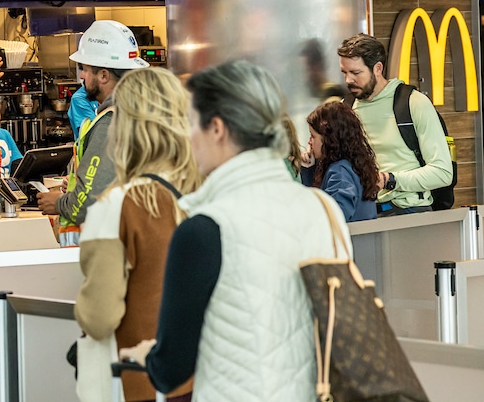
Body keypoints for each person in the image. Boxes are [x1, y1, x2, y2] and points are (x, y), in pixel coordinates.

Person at [119, 60, 349, 402]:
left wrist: (145, 357)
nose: (188, 138)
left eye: (191, 124)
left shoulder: (204, 228)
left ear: (217, 128)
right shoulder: (323, 209)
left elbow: (171, 371)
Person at [74, 67, 197, 402]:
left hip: (134, 382)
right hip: (199, 380)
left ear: (125, 128)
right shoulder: (205, 195)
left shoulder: (118, 205)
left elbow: (99, 317)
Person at [37, 20, 148, 244]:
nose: (82, 78)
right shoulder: (140, 112)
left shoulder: (111, 123)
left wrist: (58, 202)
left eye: (85, 70)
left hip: (110, 245)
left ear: (104, 75)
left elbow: (88, 203)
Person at [337, 33, 452, 215]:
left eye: (356, 73)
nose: (348, 80)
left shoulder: (413, 103)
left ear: (377, 68)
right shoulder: (347, 106)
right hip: (363, 212)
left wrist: (390, 180)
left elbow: (443, 172)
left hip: (409, 211)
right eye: (345, 72)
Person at [303, 100, 380, 222]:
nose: (309, 142)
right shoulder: (356, 166)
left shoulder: (339, 171)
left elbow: (334, 216)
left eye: (313, 136)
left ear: (329, 139)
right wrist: (310, 169)